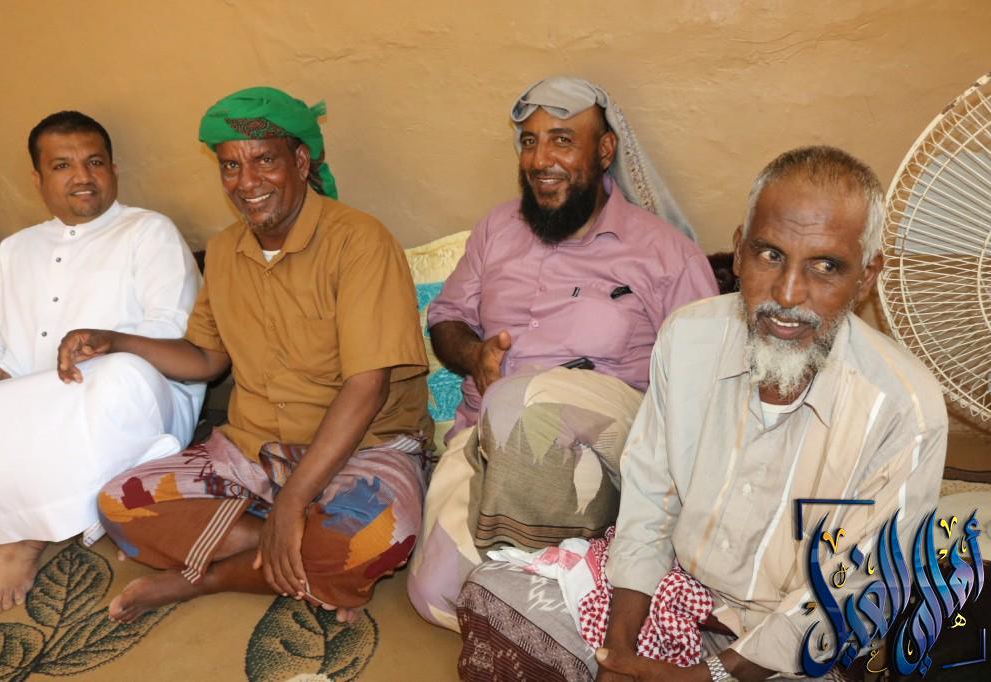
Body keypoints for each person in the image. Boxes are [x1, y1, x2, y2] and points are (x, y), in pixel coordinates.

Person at [455, 146, 948, 681]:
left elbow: (852, 590)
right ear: (739, 252)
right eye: (770, 255)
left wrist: (706, 677)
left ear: (866, 277)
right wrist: (618, 652)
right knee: (494, 594)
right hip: (681, 592)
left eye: (825, 267)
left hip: (797, 639)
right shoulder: (689, 338)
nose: (788, 294)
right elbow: (650, 501)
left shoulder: (905, 410)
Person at [57, 87, 431, 623]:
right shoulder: (226, 251)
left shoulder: (360, 242)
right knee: (121, 504)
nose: (246, 182)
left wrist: (292, 501)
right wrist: (116, 340)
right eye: (230, 166)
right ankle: (309, 559)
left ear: (301, 162)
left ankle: (208, 578)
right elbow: (205, 359)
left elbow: (367, 388)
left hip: (362, 447)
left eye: (264, 161)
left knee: (376, 537)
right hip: (252, 448)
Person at [408, 75, 718, 630]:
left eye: (562, 140)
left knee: (520, 403)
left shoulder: (665, 253)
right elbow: (446, 317)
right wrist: (475, 355)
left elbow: (708, 375)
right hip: (485, 438)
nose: (540, 159)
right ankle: (559, 588)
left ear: (605, 150)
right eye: (529, 142)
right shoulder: (496, 229)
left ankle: (550, 576)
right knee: (435, 597)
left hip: (606, 442)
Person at [0, 111, 204, 616]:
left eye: (94, 162)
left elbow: (176, 329)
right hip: (25, 401)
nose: (82, 176)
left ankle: (24, 536)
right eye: (62, 165)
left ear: (113, 170)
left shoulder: (149, 232)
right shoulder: (17, 249)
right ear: (38, 179)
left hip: (118, 404)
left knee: (120, 376)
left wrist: (109, 344)